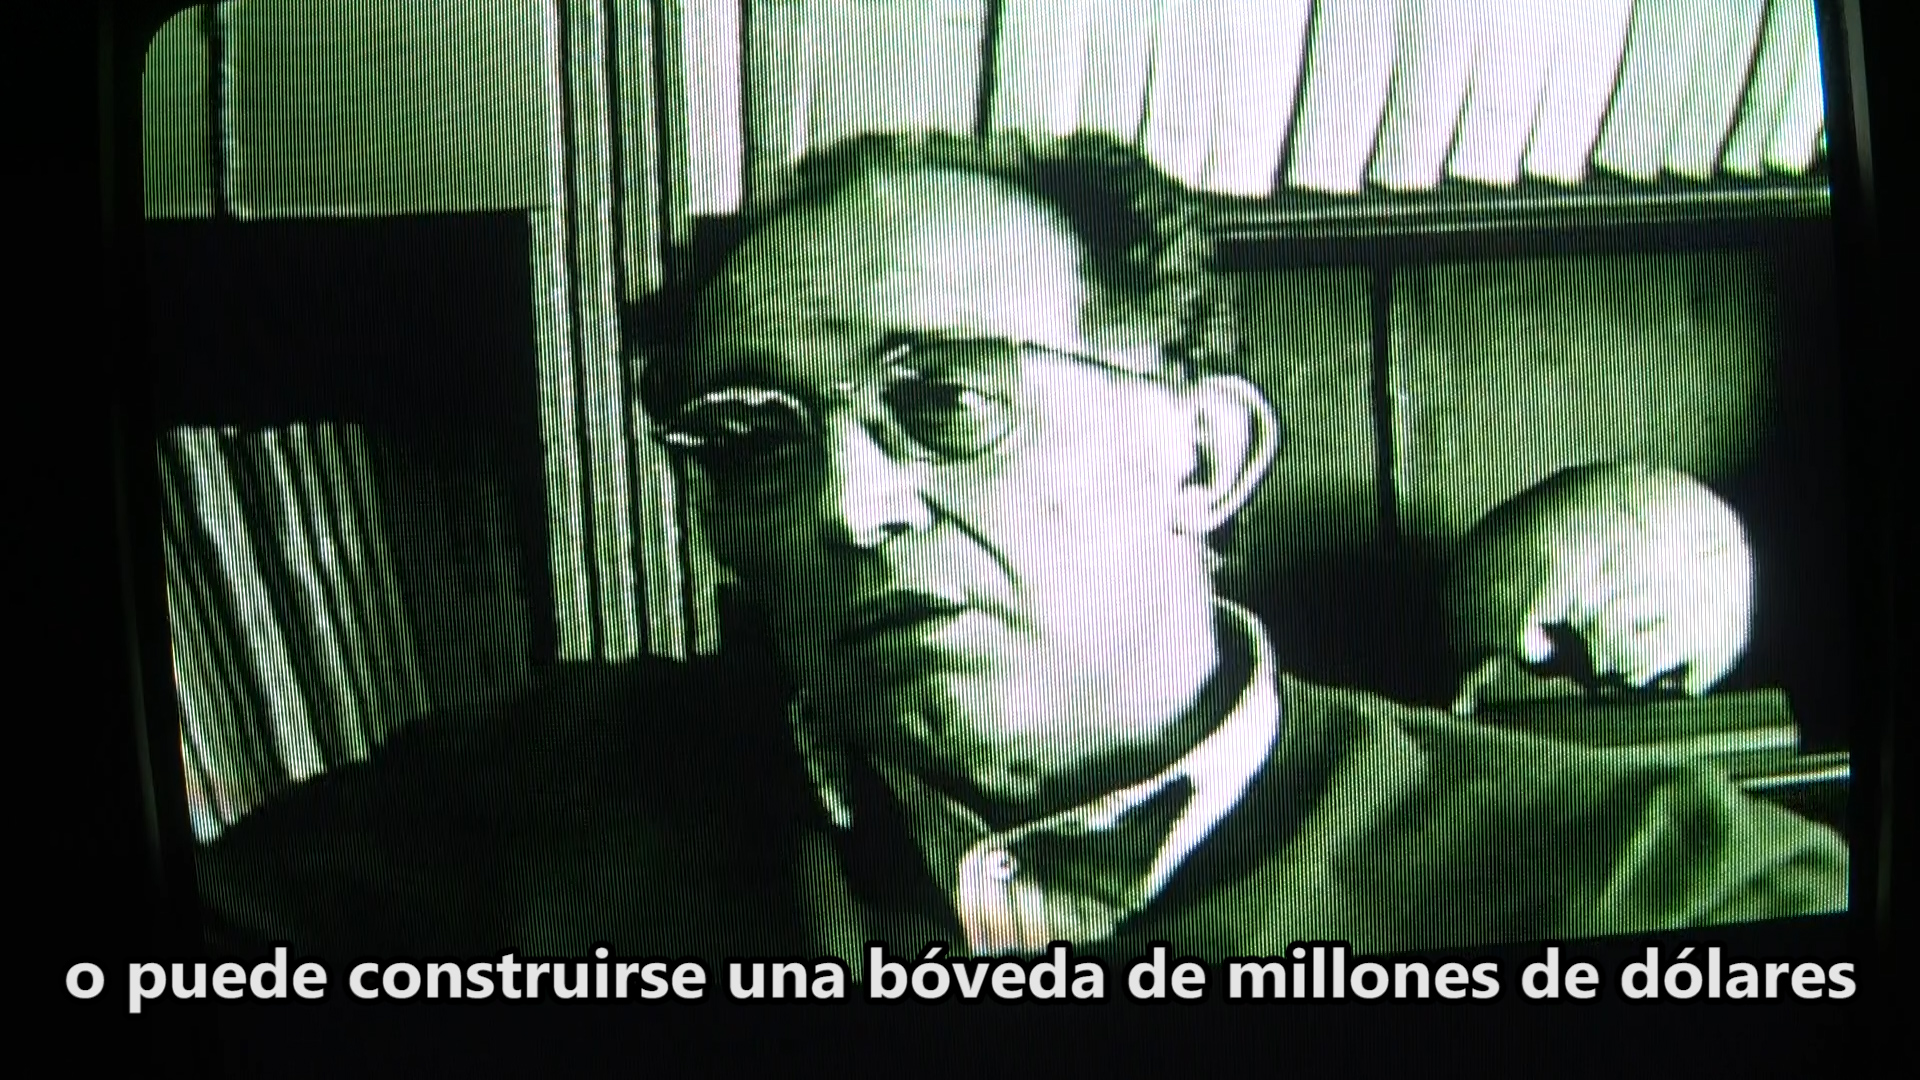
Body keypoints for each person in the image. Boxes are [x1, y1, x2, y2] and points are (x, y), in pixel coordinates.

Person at [195, 132, 1847, 963]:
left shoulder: (1651, 889)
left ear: (1200, 452)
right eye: (753, 439)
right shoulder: (490, 816)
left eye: (945, 401)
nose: (846, 505)